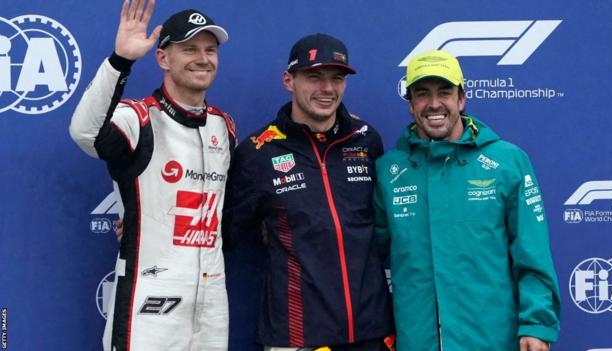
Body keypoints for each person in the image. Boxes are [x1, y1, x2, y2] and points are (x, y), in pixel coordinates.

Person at [69, 0, 235, 350]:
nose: (203, 58)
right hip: (151, 298)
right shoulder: (137, 117)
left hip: (211, 298)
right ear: (163, 58)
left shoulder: (224, 125)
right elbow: (84, 133)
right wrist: (120, 60)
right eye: (189, 49)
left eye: (210, 50)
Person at [372, 49, 560, 351]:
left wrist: (537, 324)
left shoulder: (507, 162)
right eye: (422, 94)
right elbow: (363, 254)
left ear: (461, 98)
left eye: (444, 92)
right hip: (418, 341)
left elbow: (531, 253)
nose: (434, 104)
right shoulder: (390, 170)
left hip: (492, 341)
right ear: (410, 104)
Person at [223, 33, 394, 351]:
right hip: (297, 335)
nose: (327, 89)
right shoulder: (258, 152)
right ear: (289, 80)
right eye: (314, 77)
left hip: (371, 330)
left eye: (336, 78)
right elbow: (220, 233)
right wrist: (147, 229)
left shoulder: (367, 140)